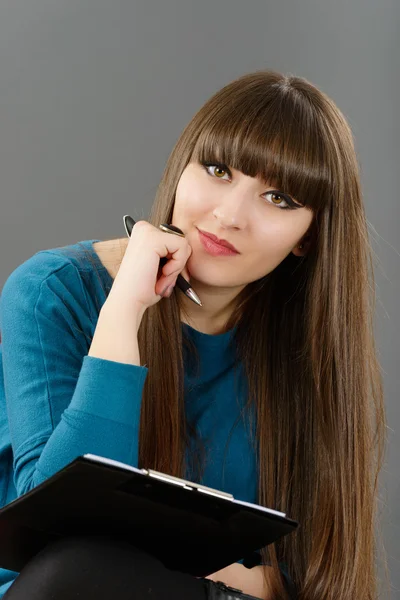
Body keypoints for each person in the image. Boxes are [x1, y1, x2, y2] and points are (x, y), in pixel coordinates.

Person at [0, 68, 387, 599]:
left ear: (308, 237)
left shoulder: (308, 348)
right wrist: (124, 311)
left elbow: (319, 575)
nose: (228, 215)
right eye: (217, 169)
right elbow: (60, 530)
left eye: (279, 199)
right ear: (182, 169)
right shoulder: (54, 291)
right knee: (75, 572)